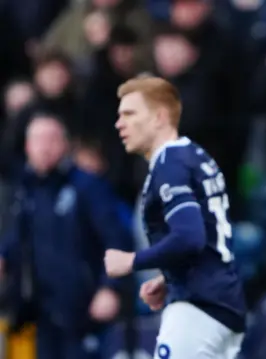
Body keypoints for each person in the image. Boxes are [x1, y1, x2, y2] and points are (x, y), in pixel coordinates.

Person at [103, 76, 246, 358]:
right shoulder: (195, 155)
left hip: (198, 307)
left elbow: (190, 237)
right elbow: (206, 237)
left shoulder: (170, 164)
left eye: (130, 114)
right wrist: (171, 277)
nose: (119, 123)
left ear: (159, 117)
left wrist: (132, 261)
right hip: (221, 301)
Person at [0, 114, 133, 359]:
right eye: (38, 140)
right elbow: (17, 237)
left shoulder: (88, 186)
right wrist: (4, 257)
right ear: (28, 147)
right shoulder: (25, 189)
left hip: (84, 309)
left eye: (52, 139)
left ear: (65, 144)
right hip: (42, 310)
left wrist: (110, 288)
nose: (45, 146)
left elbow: (117, 238)